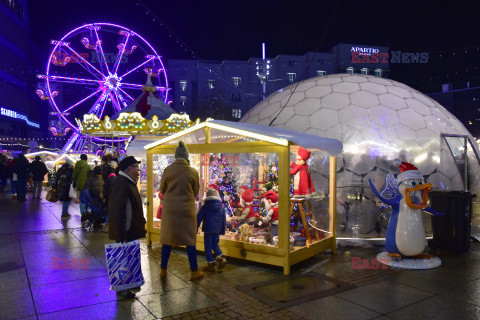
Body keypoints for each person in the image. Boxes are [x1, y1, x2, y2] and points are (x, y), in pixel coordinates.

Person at [159, 141, 203, 280]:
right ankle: (194, 271)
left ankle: (163, 270)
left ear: (175, 156)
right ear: (186, 156)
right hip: (186, 210)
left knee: (167, 240)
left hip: (170, 209)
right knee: (190, 240)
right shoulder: (193, 171)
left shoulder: (167, 170)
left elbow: (162, 190)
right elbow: (196, 192)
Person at [108, 156, 146, 299]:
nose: (138, 170)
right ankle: (124, 289)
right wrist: (122, 234)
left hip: (130, 231)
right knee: (124, 260)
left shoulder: (128, 182)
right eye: (136, 167)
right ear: (129, 168)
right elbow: (119, 210)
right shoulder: (122, 183)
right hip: (126, 232)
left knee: (129, 260)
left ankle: (128, 287)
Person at [197, 188, 227, 272]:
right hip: (217, 229)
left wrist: (195, 229)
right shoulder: (221, 206)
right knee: (215, 244)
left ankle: (210, 264)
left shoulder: (205, 206)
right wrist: (222, 231)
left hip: (208, 229)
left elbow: (198, 218)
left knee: (208, 247)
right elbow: (223, 219)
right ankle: (221, 258)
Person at [72, 154, 91, 221]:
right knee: (88, 199)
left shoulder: (77, 166)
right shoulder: (88, 166)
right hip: (87, 185)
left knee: (82, 199)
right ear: (86, 159)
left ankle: (82, 213)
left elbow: (73, 176)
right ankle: (88, 212)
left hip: (79, 185)